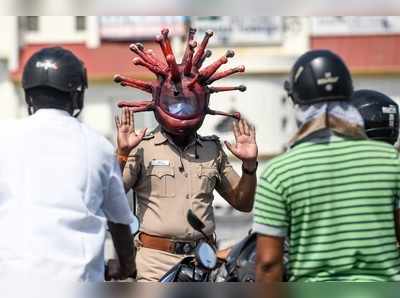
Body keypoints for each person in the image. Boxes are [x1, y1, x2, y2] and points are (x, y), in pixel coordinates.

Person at [254, 50, 400, 282]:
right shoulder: (390, 160)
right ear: (349, 95)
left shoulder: (278, 172)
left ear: (296, 101)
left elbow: (269, 264)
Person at [0, 47, 136, 281]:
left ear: (28, 95)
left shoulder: (5, 135)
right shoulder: (97, 146)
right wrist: (126, 267)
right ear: (77, 95)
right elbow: (120, 222)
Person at [115, 105, 258, 282]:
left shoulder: (212, 149)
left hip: (203, 263)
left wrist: (250, 166)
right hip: (156, 266)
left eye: (189, 101)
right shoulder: (141, 146)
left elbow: (243, 203)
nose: (182, 109)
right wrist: (122, 154)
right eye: (175, 101)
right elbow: (113, 196)